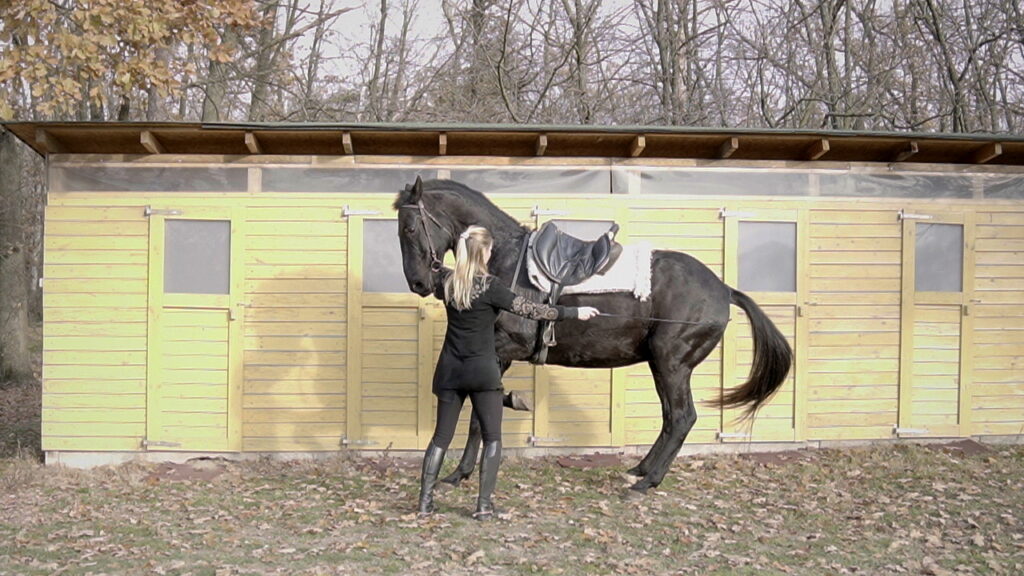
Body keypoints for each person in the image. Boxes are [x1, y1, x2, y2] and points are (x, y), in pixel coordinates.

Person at [418, 225, 600, 520]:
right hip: (482, 373)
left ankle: (425, 503)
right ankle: (483, 506)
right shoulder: (492, 287)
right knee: (492, 438)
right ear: (485, 252)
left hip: (450, 371)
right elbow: (533, 310)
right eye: (490, 249)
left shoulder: (446, 284)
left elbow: (428, 272)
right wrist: (574, 312)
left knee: (440, 438)